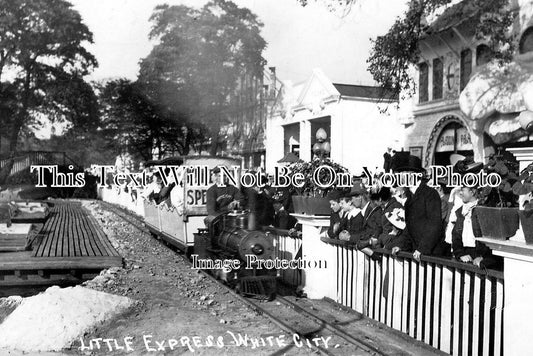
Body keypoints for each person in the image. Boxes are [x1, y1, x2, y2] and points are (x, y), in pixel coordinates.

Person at [400, 155, 447, 261]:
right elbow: (409, 227)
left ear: (414, 175)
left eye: (404, 173)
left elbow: (435, 224)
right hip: (416, 253)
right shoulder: (409, 198)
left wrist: (422, 248)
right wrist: (400, 245)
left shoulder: (430, 194)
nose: (401, 177)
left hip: (430, 253)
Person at [452, 186, 501, 269]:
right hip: (466, 254)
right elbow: (456, 237)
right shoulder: (460, 211)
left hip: (481, 256)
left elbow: (491, 236)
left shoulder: (484, 210)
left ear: (472, 192)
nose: (460, 193)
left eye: (463, 190)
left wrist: (483, 257)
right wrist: (460, 254)